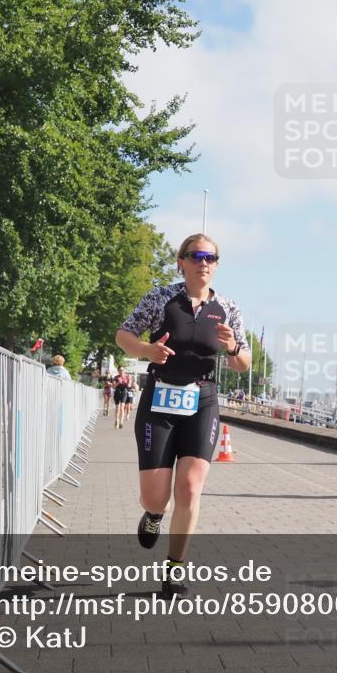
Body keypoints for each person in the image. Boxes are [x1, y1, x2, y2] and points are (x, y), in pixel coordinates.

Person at [115, 233, 251, 597]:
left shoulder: (227, 307)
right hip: (159, 397)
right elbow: (123, 335)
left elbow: (243, 363)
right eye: (195, 256)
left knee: (190, 489)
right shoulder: (161, 298)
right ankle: (155, 516)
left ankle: (174, 569)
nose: (202, 262)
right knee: (155, 497)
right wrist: (146, 350)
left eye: (210, 257)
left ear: (217, 265)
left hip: (202, 399)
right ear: (181, 261)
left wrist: (233, 346)